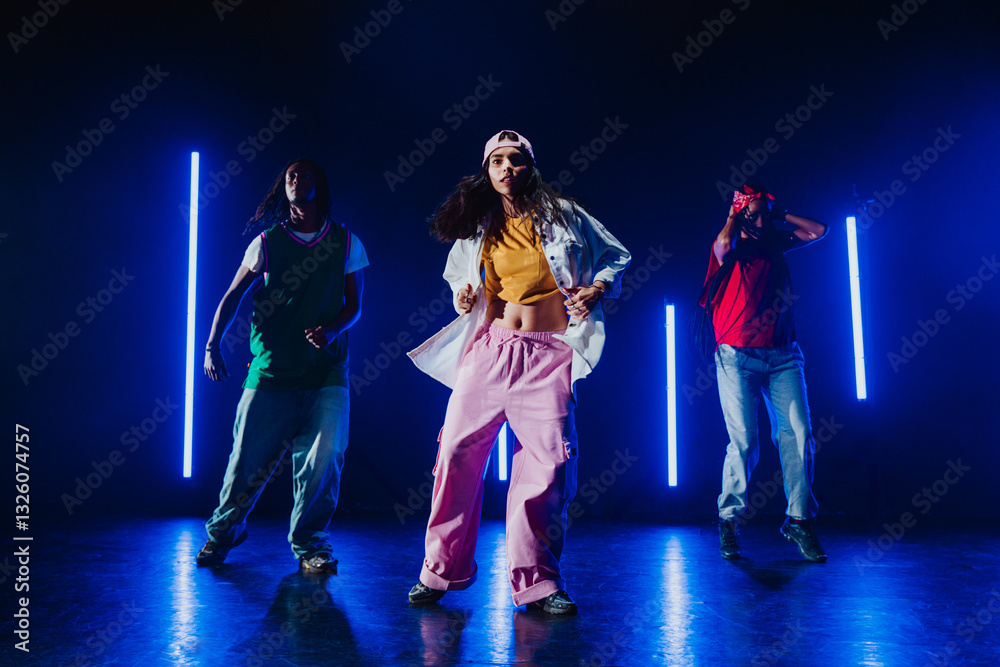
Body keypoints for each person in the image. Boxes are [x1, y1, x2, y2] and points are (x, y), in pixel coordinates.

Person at [406, 130, 631, 614]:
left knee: (547, 470)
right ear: (487, 171)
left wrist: (598, 289)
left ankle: (539, 583)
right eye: (497, 162)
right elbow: (458, 277)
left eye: (516, 160)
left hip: (548, 356)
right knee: (454, 454)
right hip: (489, 351)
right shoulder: (479, 226)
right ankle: (439, 571)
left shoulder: (565, 215)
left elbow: (617, 255)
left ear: (531, 166)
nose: (506, 168)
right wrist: (462, 296)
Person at [196, 158, 368, 573]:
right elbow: (232, 296)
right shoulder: (267, 242)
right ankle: (223, 533)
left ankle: (310, 545)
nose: (297, 179)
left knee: (324, 458)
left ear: (320, 186)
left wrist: (329, 330)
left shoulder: (347, 243)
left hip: (326, 372)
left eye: (307, 173)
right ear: (283, 186)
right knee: (246, 461)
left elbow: (356, 307)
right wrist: (211, 345)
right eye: (291, 174)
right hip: (271, 372)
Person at [699, 183, 828, 562]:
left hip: (783, 355)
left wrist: (778, 211)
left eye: (762, 214)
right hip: (736, 356)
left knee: (799, 434)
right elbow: (722, 241)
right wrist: (735, 214)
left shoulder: (776, 242)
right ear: (739, 215)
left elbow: (817, 231)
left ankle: (799, 521)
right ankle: (729, 519)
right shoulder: (729, 247)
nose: (758, 221)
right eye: (750, 215)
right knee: (744, 441)